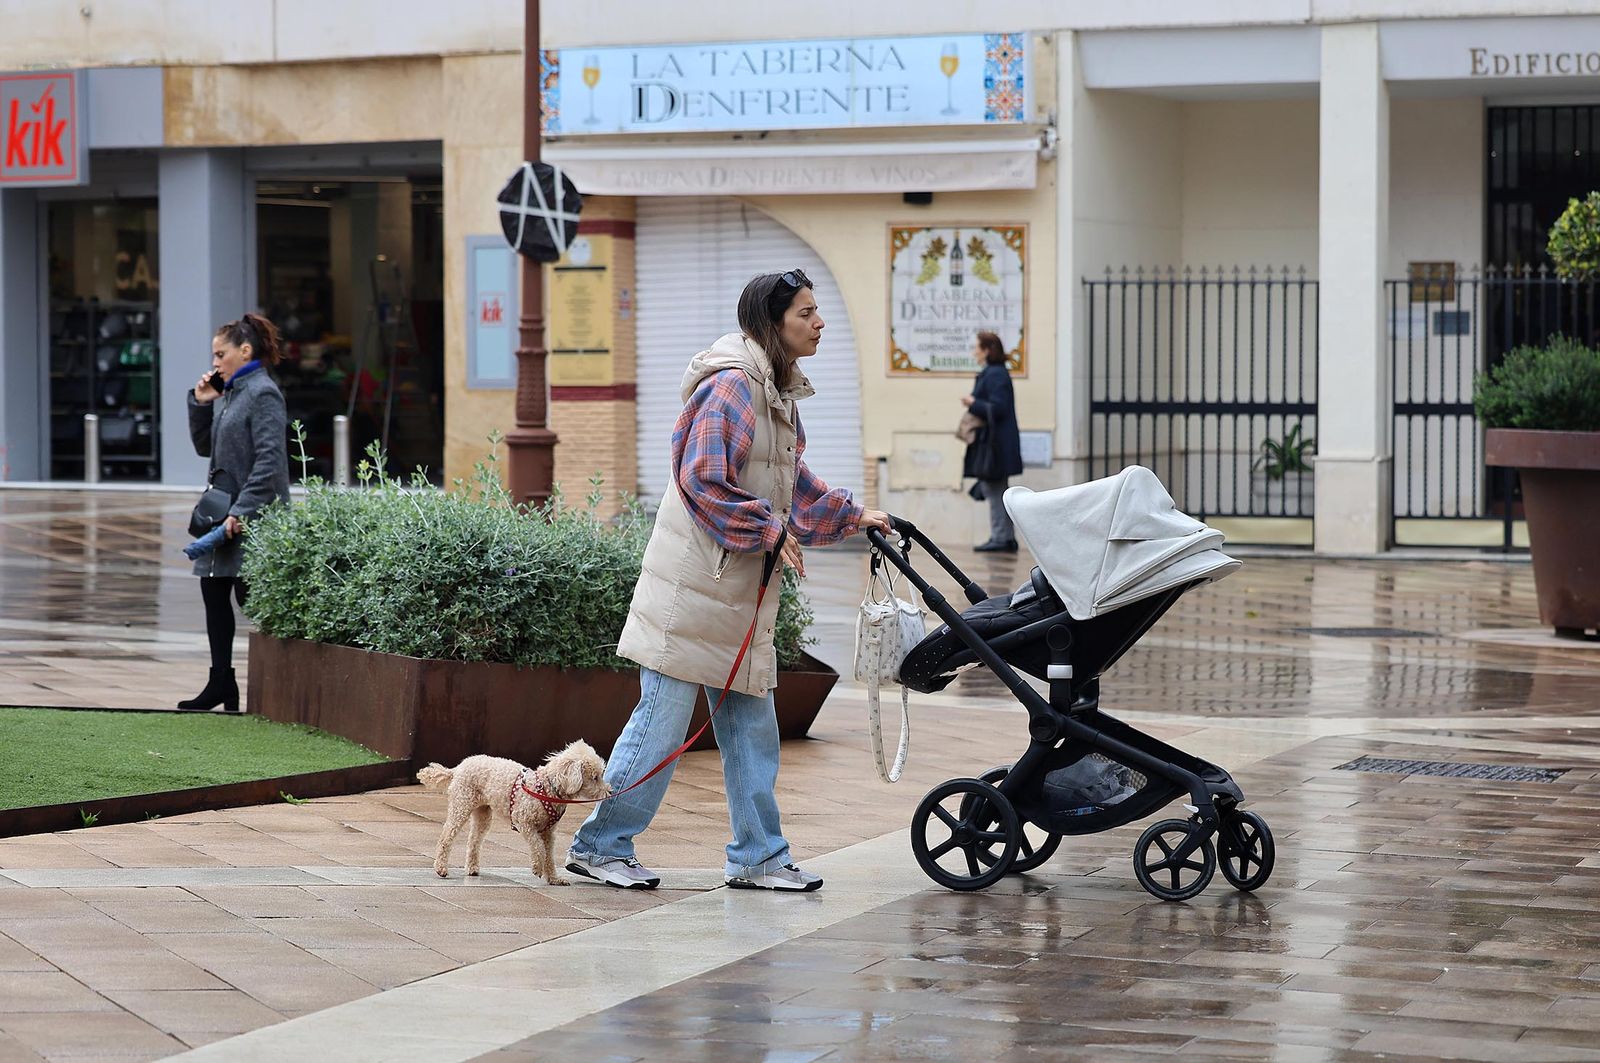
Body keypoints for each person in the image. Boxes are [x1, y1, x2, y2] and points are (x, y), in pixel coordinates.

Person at [566, 269, 891, 893]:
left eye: (818, 311)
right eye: (806, 313)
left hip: (736, 595)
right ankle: (601, 844)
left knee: (751, 728)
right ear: (773, 324)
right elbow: (702, 479)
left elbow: (790, 482)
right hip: (693, 591)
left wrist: (854, 516)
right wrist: (768, 530)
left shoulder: (777, 392)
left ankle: (759, 856)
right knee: (660, 723)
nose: (819, 323)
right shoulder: (734, 390)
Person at [178, 313, 291, 713]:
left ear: (245, 351)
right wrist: (200, 403)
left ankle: (283, 685)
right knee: (213, 592)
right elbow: (205, 448)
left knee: (254, 601)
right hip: (223, 515)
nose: (215, 361)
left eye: (220, 353)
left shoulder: (262, 393)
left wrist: (242, 511)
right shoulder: (231, 393)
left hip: (251, 517)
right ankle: (221, 683)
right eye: (214, 354)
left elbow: (270, 462)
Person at [961, 330, 1024, 552]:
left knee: (995, 490)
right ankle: (1004, 537)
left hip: (995, 445)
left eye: (977, 348)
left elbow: (998, 408)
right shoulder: (992, 373)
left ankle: (1001, 538)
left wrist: (973, 402)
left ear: (987, 350)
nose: (974, 352)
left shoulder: (995, 374)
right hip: (993, 444)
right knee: (994, 489)